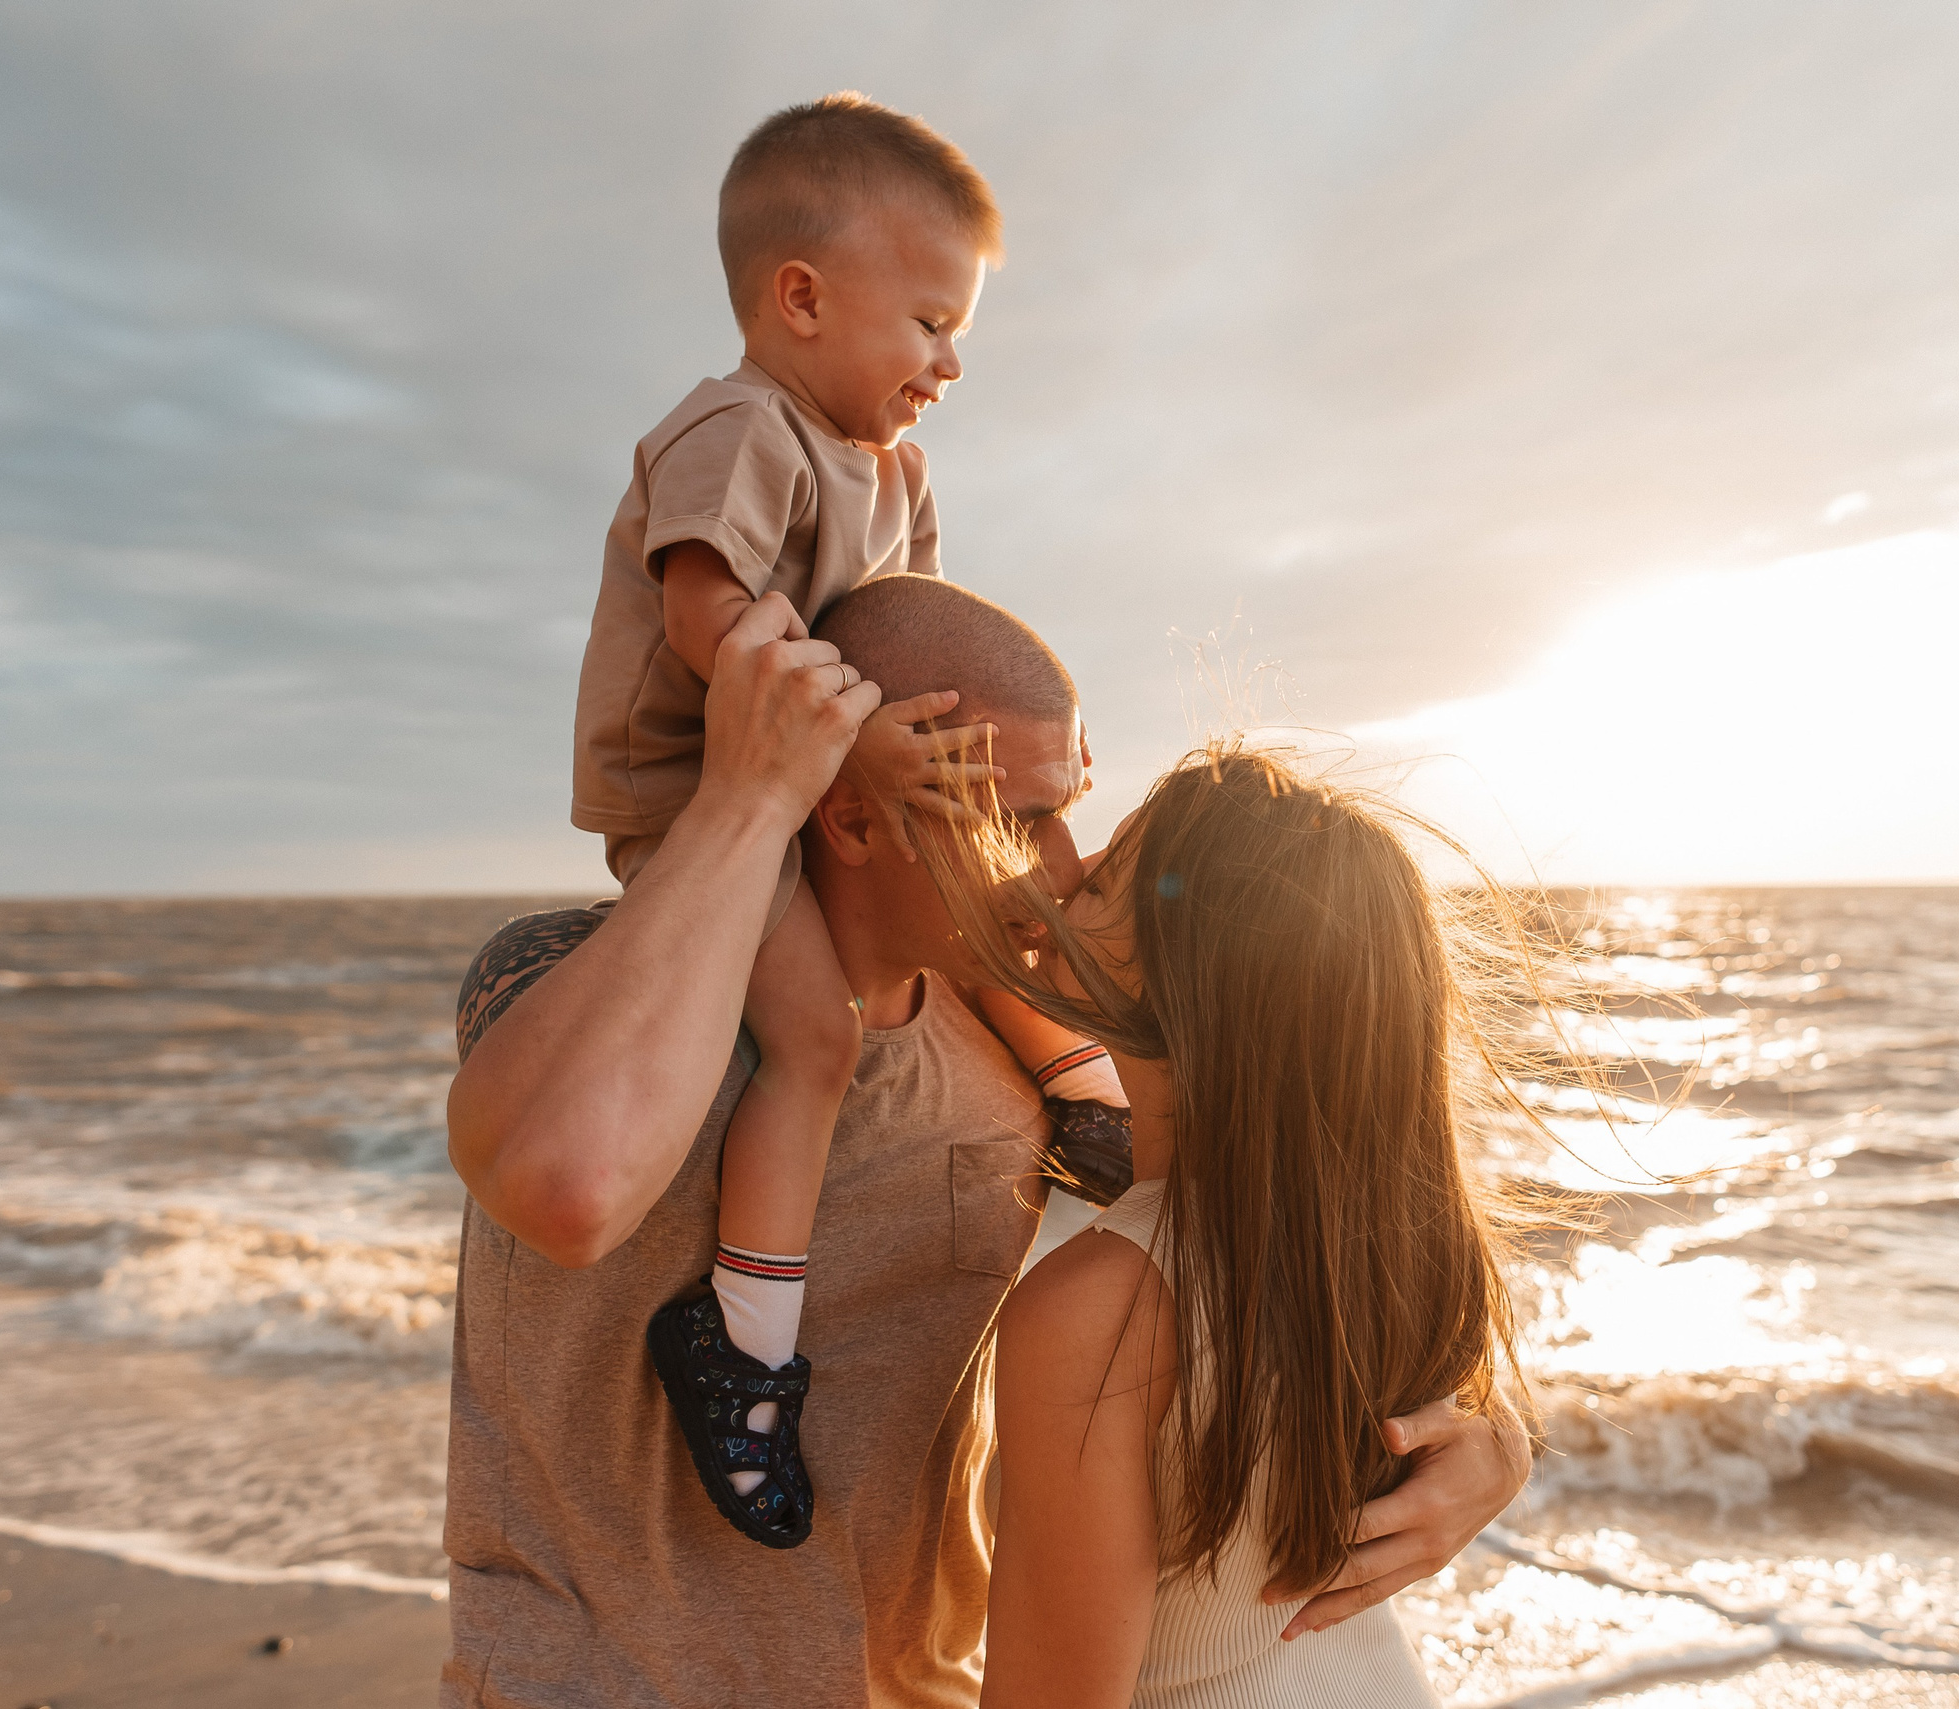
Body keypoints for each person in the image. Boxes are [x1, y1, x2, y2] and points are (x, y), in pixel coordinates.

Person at [440, 576, 1528, 1708]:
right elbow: (562, 1182)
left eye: (1071, 814)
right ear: (855, 812)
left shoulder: (1022, 1045)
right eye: (1018, 818)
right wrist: (746, 796)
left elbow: (1302, 1190)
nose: (1060, 869)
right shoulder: (576, 983)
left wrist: (1480, 1429)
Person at [566, 91, 1122, 1543]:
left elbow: (907, 625)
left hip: (829, 782)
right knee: (816, 1037)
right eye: (931, 323)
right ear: (801, 298)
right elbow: (708, 617)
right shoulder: (738, 430)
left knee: (965, 904)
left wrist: (963, 740)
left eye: (961, 337)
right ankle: (743, 1345)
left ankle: (1083, 1082)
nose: (949, 363)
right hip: (708, 796)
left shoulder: (897, 475)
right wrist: (867, 736)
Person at [941, 745, 1574, 1706]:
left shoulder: (1098, 1314)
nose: (1058, 880)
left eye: (1105, 875)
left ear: (1188, 971)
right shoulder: (1387, 1246)